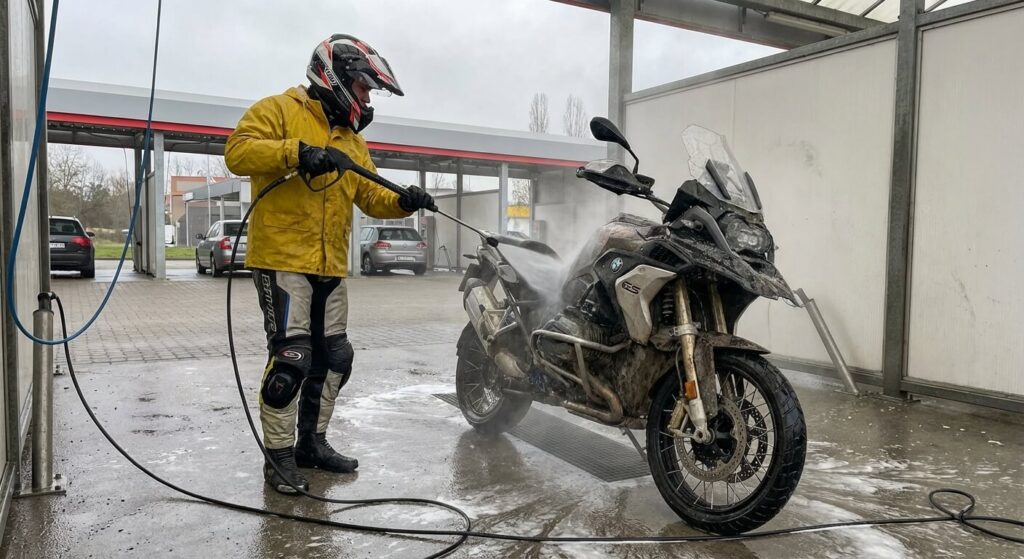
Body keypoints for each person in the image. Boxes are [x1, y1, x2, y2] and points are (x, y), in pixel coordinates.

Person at [224, 34, 435, 494]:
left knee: (336, 358)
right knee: (291, 361)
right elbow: (237, 151)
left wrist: (405, 201)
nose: (366, 98)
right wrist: (295, 152)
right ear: (335, 76)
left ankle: (311, 445)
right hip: (282, 261)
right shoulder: (278, 110)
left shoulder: (350, 140)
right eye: (364, 88)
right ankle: (278, 460)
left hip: (331, 266)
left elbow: (370, 193)